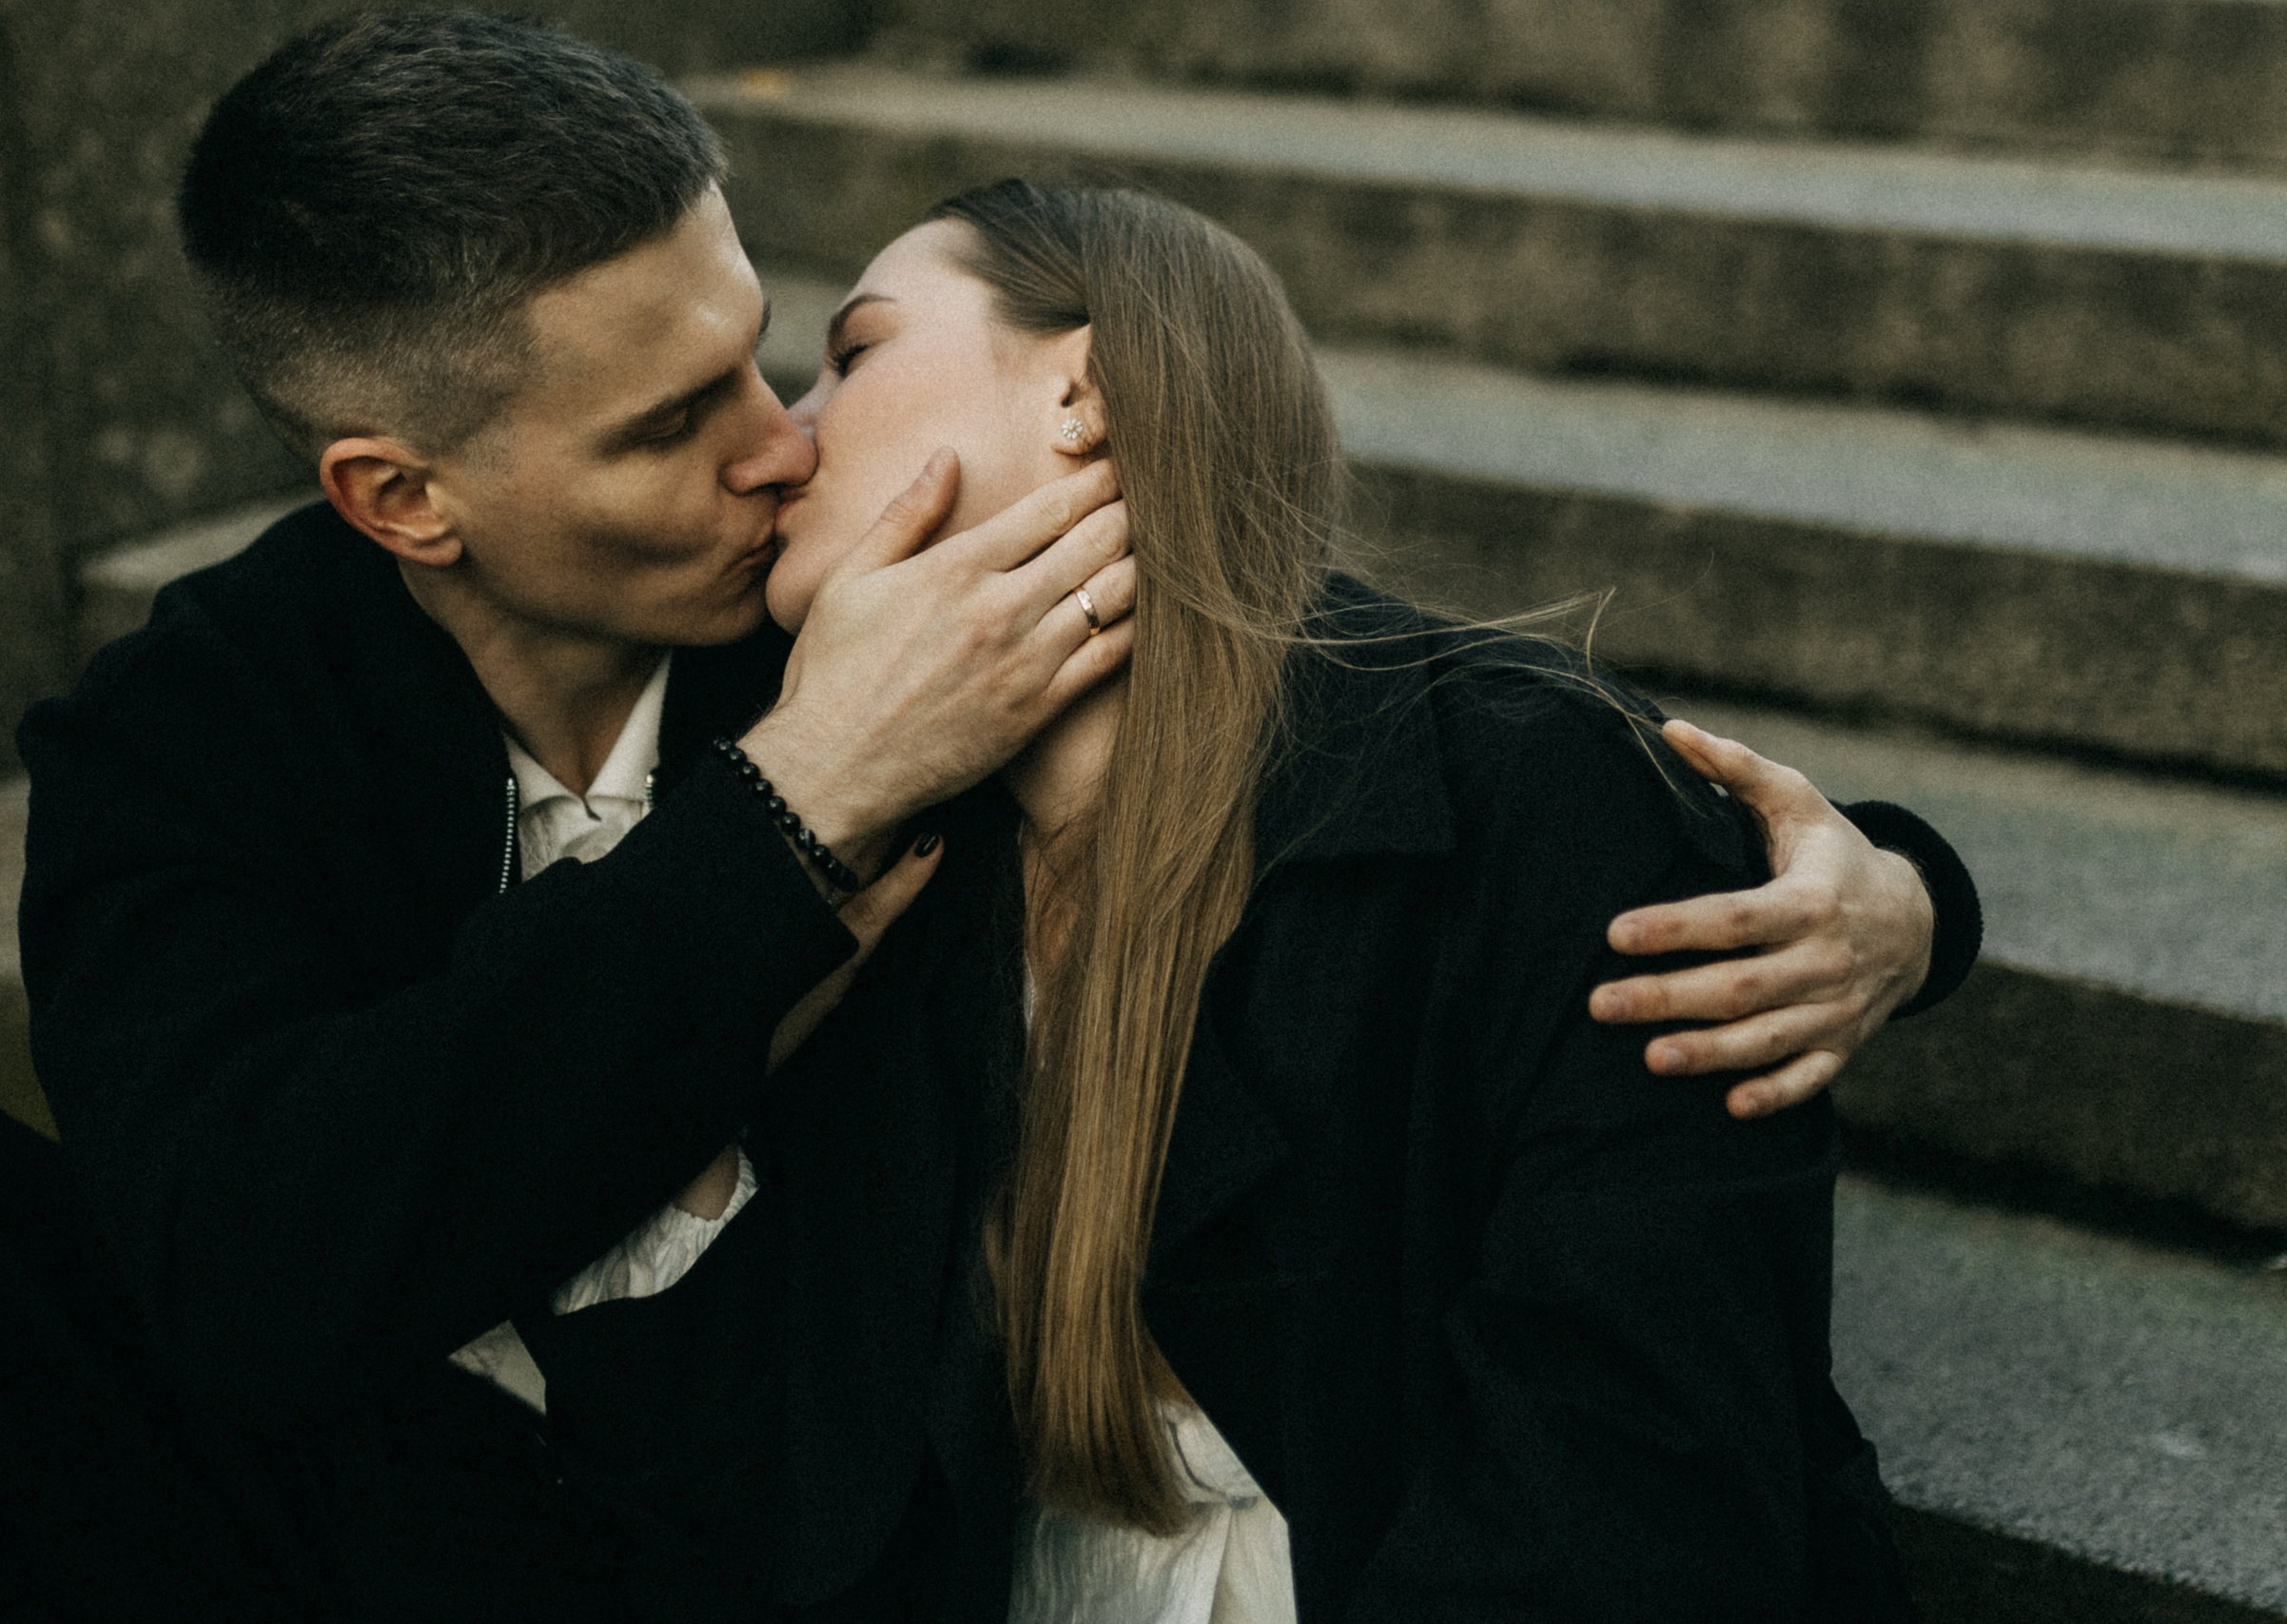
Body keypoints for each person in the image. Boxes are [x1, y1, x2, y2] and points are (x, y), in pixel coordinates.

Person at [8, 14, 1969, 1620]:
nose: (775, 447)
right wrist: (792, 807)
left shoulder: (901, 635)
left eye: (786, 350)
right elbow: (249, 1271)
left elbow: (1378, 726)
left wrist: (1887, 887)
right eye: (666, 426)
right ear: (400, 497)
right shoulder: (195, 741)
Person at [522, 181, 1961, 1622]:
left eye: (855, 351)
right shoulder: (883, 849)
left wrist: (1908, 896)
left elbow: (1628, 1503)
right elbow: (764, 1466)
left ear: (1083, 393)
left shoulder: (1538, 792)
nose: (785, 438)